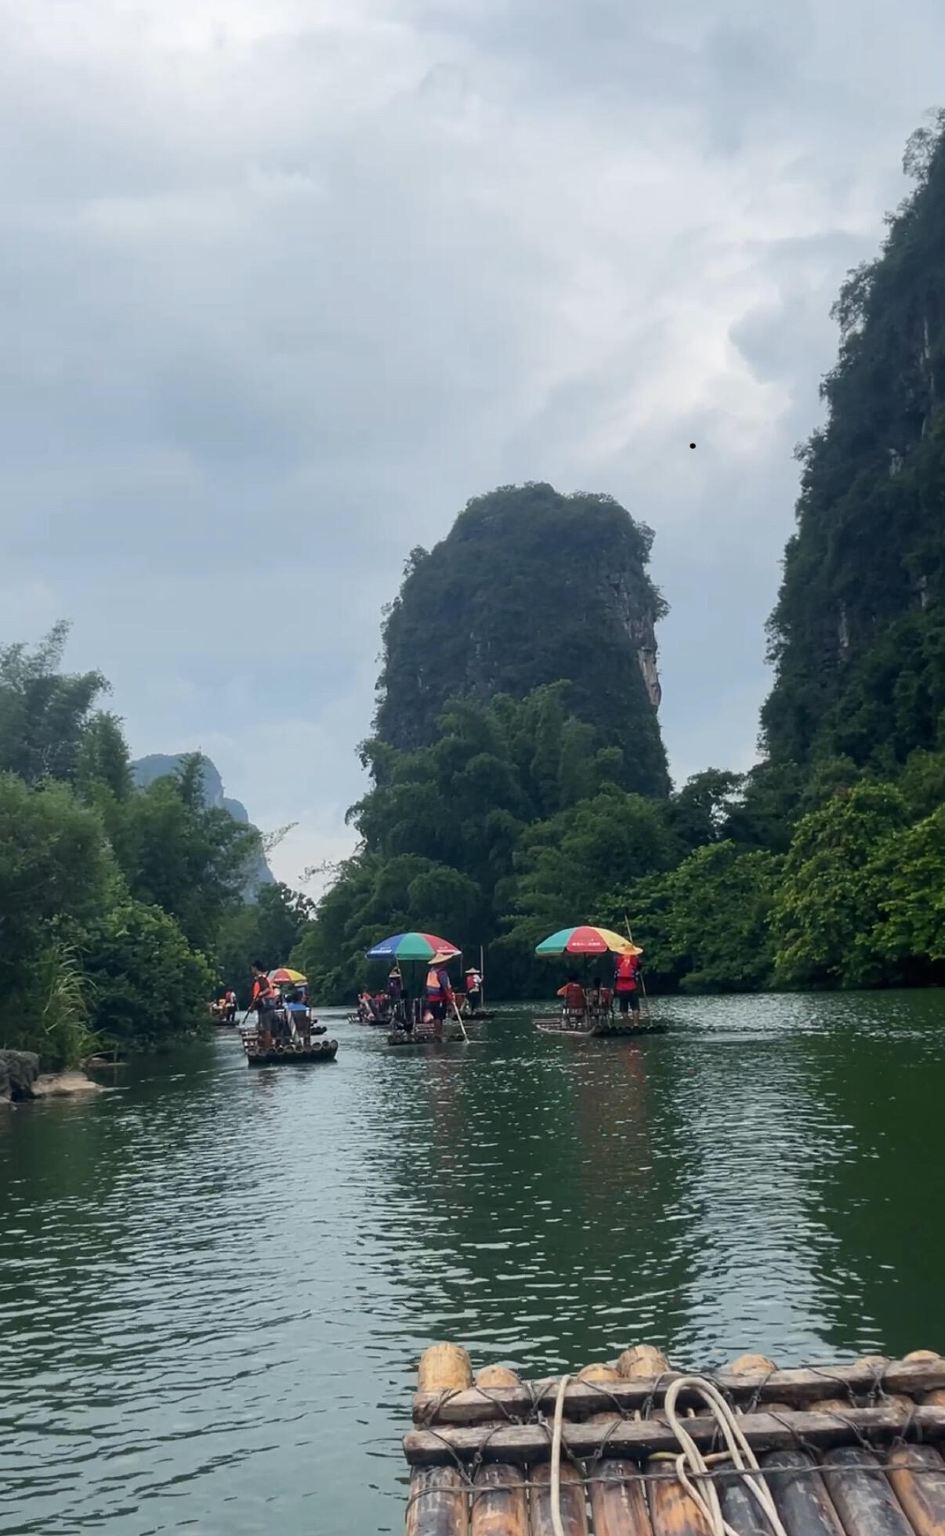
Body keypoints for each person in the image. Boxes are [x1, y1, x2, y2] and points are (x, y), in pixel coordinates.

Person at [425, 954, 455, 1041]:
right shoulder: (441, 973)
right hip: (439, 998)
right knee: (439, 1017)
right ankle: (439, 1034)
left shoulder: (431, 972)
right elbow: (446, 987)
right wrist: (450, 998)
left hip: (431, 998)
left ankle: (437, 1033)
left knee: (436, 1017)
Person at [250, 961, 279, 1042]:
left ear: (255, 968)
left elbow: (267, 990)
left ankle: (268, 1048)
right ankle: (272, 1046)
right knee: (269, 1029)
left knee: (266, 1030)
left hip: (264, 1008)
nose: (251, 970)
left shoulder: (261, 978)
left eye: (252, 968)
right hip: (269, 1006)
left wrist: (259, 996)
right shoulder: (265, 978)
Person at [614, 949, 643, 1014]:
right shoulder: (634, 959)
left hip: (620, 987)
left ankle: (626, 1023)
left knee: (623, 1007)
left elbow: (615, 969)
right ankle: (636, 1023)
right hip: (633, 986)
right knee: (635, 1006)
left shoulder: (618, 959)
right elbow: (640, 967)